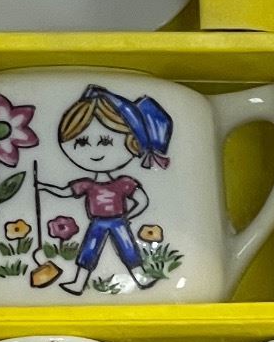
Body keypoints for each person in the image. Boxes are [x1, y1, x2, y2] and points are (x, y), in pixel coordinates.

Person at [36, 85, 173, 294]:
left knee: (128, 250)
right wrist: (43, 187)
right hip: (98, 222)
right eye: (81, 142)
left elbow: (142, 201)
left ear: (133, 142)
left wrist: (128, 216)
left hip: (118, 221)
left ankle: (141, 278)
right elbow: (64, 192)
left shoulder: (123, 183)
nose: (95, 151)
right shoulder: (87, 184)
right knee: (89, 251)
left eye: (106, 141)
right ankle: (78, 283)